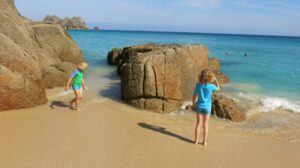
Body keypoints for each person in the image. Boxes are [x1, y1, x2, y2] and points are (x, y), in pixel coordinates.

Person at [192, 69, 220, 146]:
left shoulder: (198, 85)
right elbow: (218, 88)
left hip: (199, 106)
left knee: (198, 124)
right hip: (207, 107)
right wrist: (216, 80)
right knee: (205, 125)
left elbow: (194, 96)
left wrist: (194, 104)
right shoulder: (211, 86)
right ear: (210, 78)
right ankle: (204, 142)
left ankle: (196, 141)